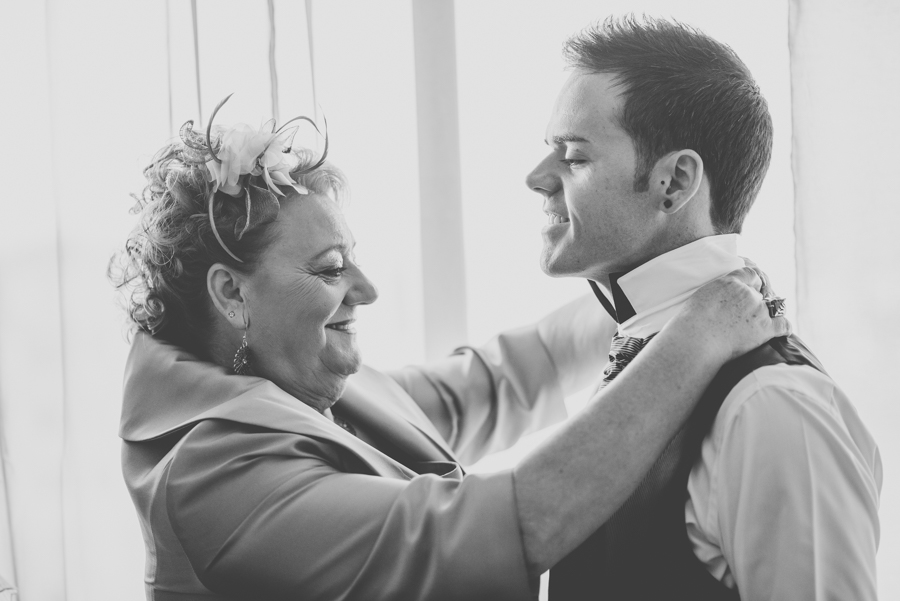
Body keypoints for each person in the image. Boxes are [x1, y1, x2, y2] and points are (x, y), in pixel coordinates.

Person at [112, 105, 787, 601]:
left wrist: (667, 284)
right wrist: (700, 333)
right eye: (329, 269)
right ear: (232, 293)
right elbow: (511, 525)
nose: (367, 290)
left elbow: (506, 378)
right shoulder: (210, 475)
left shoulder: (309, 384)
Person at [525, 16, 883, 601]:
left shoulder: (772, 407)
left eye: (573, 156)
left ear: (674, 182)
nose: (536, 179)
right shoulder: (637, 343)